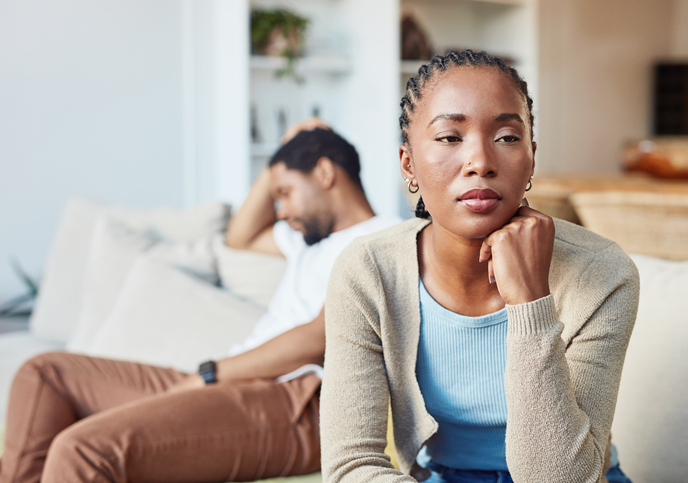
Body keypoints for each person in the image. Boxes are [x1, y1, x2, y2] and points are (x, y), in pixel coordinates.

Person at [0, 120, 399, 483]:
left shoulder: (384, 240)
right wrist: (284, 153)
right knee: (43, 373)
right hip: (235, 381)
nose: (282, 211)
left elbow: (320, 337)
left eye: (286, 194)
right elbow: (238, 237)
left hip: (295, 398)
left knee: (81, 451)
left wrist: (209, 375)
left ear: (325, 173)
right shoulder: (308, 242)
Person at [320, 50, 639, 483]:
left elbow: (561, 478)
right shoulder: (367, 271)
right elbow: (351, 466)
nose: (481, 161)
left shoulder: (602, 273)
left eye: (507, 137)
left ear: (531, 158)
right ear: (408, 164)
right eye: (450, 137)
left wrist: (531, 301)